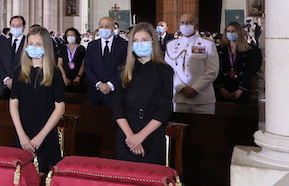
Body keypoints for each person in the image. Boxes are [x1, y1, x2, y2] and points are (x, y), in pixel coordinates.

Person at [113, 23, 173, 165]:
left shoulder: (164, 70)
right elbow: (117, 106)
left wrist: (140, 137)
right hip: (127, 134)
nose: (140, 44)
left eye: (144, 40)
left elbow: (163, 109)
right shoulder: (123, 70)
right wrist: (131, 137)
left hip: (151, 134)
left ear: (153, 41)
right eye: (135, 41)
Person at [9, 26, 66, 173]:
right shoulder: (19, 71)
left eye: (38, 44)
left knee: (45, 178)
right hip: (23, 132)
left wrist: (40, 137)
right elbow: (13, 103)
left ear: (46, 46)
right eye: (31, 44)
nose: (34, 48)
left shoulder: (55, 73)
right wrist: (21, 135)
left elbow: (60, 108)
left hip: (45, 134)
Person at [165, 13, 219, 114]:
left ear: (196, 25)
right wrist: (181, 87)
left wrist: (195, 89)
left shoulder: (208, 44)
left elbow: (212, 70)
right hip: (179, 98)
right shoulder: (171, 45)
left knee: (204, 128)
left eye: (189, 23)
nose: (185, 25)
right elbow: (169, 70)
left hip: (203, 99)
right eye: (182, 23)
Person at [84, 17, 128, 107]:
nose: (104, 29)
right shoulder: (92, 46)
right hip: (95, 92)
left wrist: (110, 84)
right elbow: (87, 67)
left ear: (113, 27)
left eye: (107, 26)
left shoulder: (123, 45)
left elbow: (126, 67)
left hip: (116, 91)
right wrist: (98, 83)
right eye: (101, 26)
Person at [214, 22, 261, 103]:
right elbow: (215, 69)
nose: (230, 33)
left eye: (233, 31)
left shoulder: (252, 50)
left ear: (239, 32)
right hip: (223, 87)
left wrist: (240, 91)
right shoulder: (219, 50)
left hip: (242, 88)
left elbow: (250, 71)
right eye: (228, 31)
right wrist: (221, 89)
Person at [0, 16, 26, 99]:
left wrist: (16, 81)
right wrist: (6, 79)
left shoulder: (28, 43)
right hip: (5, 87)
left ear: (23, 27)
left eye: (18, 26)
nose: (15, 28)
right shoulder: (3, 43)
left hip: (22, 86)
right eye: (13, 26)